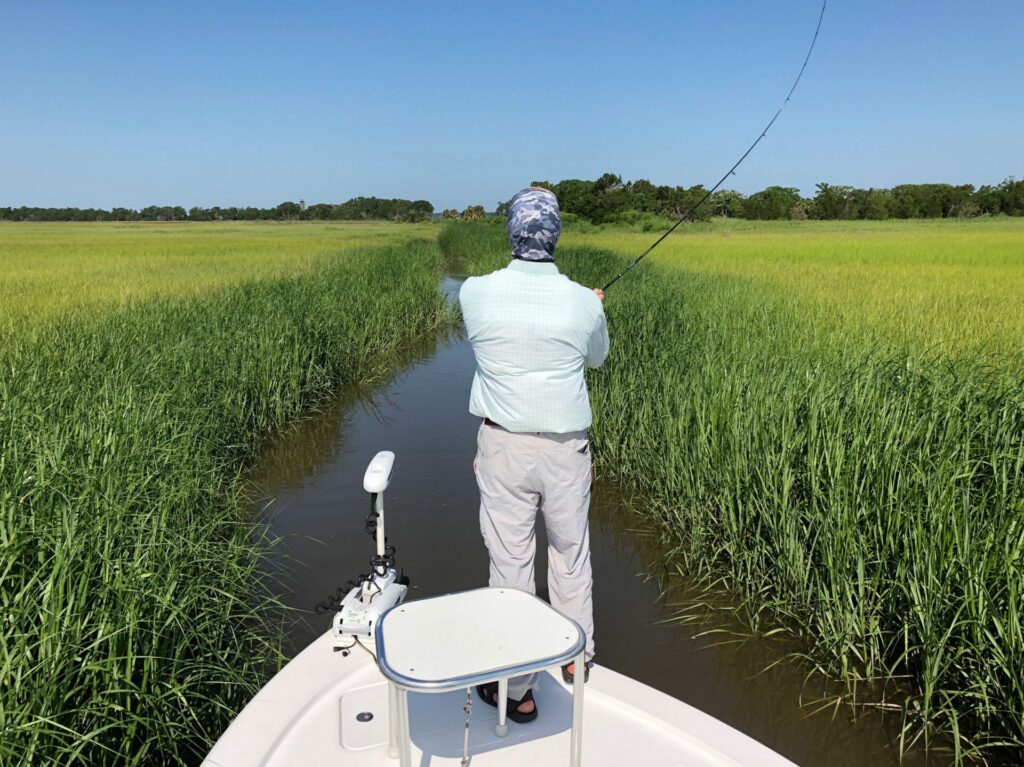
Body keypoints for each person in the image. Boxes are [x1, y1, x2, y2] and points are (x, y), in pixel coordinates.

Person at [458, 187, 609, 723]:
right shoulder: (582, 303)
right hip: (567, 449)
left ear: (512, 232)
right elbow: (597, 358)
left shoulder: (474, 292)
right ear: (556, 234)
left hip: (502, 446)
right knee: (571, 552)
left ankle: (517, 687)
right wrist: (593, 306)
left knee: (511, 561)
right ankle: (576, 659)